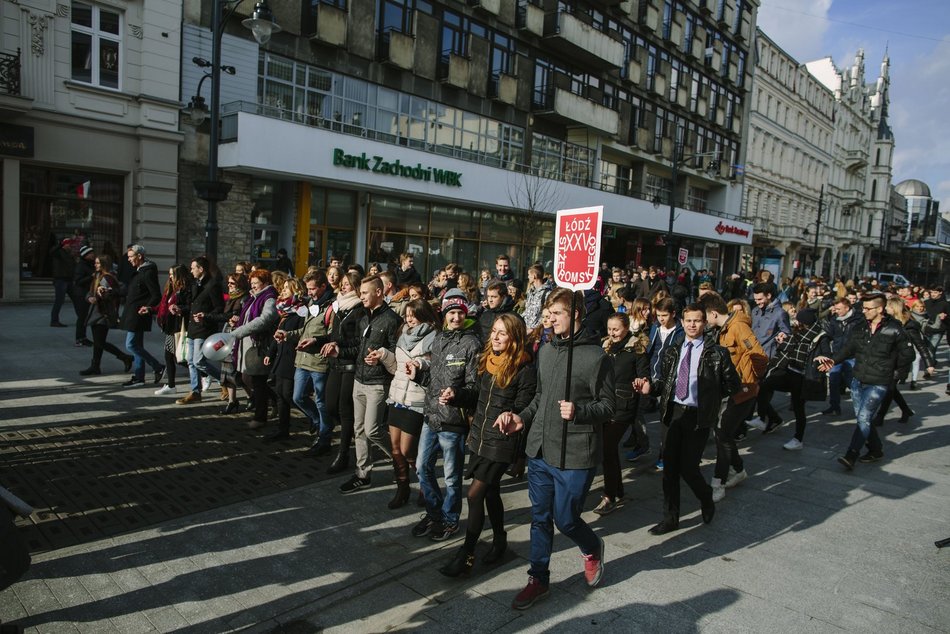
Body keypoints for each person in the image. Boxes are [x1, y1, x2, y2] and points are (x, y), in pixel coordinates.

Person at [493, 288, 615, 609]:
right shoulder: (545, 350)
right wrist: (521, 419)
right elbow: (539, 398)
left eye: (556, 313)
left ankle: (591, 548)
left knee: (567, 519)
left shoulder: (596, 357)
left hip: (576, 454)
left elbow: (608, 406)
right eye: (548, 313)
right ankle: (538, 578)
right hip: (540, 451)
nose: (550, 318)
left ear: (575, 315)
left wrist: (580, 411)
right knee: (540, 518)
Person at [439, 313, 536, 577]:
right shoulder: (487, 361)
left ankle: (467, 554)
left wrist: (520, 452)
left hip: (502, 442)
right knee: (491, 492)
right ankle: (500, 540)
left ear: (514, 337)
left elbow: (525, 408)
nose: (495, 337)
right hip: (480, 437)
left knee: (474, 494)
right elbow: (477, 397)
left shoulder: (524, 368)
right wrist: (456, 395)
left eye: (502, 333)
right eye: (494, 331)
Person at [647, 303, 738, 536]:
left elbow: (732, 385)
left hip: (698, 416)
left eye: (697, 320)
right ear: (683, 322)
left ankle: (706, 497)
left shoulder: (717, 353)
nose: (692, 325)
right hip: (673, 412)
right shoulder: (673, 350)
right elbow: (665, 382)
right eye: (688, 320)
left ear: (705, 323)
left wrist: (711, 399)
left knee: (688, 468)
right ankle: (670, 518)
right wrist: (650, 387)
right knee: (669, 468)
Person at [410, 288, 481, 541]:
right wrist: (417, 374)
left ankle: (450, 519)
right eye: (451, 312)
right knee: (421, 468)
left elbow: (475, 388)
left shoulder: (472, 343)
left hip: (454, 420)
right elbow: (433, 379)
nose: (455, 317)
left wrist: (456, 394)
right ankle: (435, 513)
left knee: (451, 478)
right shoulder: (439, 339)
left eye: (459, 313)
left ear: (465, 314)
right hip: (431, 416)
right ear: (444, 314)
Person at [815, 293, 915, 469]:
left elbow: (909, 355)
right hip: (858, 379)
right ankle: (876, 450)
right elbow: (849, 348)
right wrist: (833, 361)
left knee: (864, 416)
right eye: (864, 308)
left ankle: (851, 455)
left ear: (880, 309)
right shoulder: (860, 326)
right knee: (864, 419)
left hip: (879, 382)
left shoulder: (895, 329)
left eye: (868, 308)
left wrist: (895, 375)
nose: (864, 311)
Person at [323, 275, 400, 493]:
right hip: (359, 379)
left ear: (379, 292)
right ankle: (362, 473)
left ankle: (400, 459)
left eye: (365, 292)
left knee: (373, 430)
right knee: (359, 430)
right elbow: (357, 346)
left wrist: (381, 357)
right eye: (361, 292)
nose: (361, 296)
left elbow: (397, 353)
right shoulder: (363, 317)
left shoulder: (392, 319)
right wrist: (339, 352)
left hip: (378, 382)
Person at [698, 292, 767, 499]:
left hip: (742, 392)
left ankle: (718, 482)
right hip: (730, 391)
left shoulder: (738, 327)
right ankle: (738, 470)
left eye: (704, 317)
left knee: (722, 435)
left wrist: (751, 380)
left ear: (712, 313)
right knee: (722, 434)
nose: (704, 321)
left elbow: (759, 356)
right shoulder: (724, 328)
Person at [379, 299, 438, 509]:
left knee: (407, 451)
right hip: (396, 397)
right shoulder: (402, 335)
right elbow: (396, 368)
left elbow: (434, 366)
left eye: (413, 315)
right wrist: (384, 355)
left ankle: (425, 484)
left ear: (423, 315)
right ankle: (402, 489)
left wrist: (421, 364)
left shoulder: (433, 337)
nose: (409, 319)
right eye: (407, 315)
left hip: (416, 400)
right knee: (395, 450)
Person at [596, 312, 649, 515]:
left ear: (626, 328)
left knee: (608, 447)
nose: (612, 333)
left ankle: (608, 496)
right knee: (609, 451)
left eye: (616, 329)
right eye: (609, 329)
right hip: (605, 403)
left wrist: (641, 381)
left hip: (624, 406)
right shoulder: (605, 347)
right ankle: (618, 490)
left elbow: (644, 373)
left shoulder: (636, 348)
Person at [277, 270, 337, 449]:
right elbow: (304, 331)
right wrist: (287, 335)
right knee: (298, 397)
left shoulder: (332, 307)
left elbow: (333, 335)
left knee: (320, 400)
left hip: (319, 360)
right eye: (308, 289)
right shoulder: (312, 303)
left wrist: (316, 341)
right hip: (302, 359)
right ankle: (319, 422)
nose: (309, 292)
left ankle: (324, 437)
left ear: (323, 287)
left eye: (312, 289)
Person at [323, 271, 366, 474]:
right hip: (335, 363)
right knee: (330, 406)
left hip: (350, 364)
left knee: (344, 408)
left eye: (347, 284)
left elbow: (360, 342)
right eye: (342, 283)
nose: (343, 287)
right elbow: (331, 334)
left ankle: (343, 454)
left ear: (356, 287)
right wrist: (318, 343)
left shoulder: (360, 310)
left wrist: (340, 347)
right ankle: (352, 436)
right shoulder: (338, 305)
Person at [871, 297, 936, 426]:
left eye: (888, 307)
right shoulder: (887, 322)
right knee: (892, 389)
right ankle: (906, 410)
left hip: (901, 363)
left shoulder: (909, 326)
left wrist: (929, 364)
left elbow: (921, 346)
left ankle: (880, 416)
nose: (885, 309)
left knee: (889, 389)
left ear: (894, 308)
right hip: (888, 360)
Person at [229, 269, 280, 428]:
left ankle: (260, 418)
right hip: (248, 345)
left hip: (259, 345)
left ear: (265, 283)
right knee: (247, 379)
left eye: (256, 283)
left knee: (256, 380)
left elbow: (265, 319)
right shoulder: (253, 297)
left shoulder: (269, 298)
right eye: (251, 283)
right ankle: (275, 399)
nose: (253, 286)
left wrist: (240, 331)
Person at [176, 256, 225, 405]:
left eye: (193, 268)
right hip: (193, 327)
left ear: (201, 269)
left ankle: (225, 381)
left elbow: (219, 308)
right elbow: (192, 305)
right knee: (191, 361)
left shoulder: (212, 285)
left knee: (198, 361)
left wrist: (206, 316)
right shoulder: (195, 283)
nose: (191, 271)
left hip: (204, 328)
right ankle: (195, 391)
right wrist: (180, 309)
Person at [263, 277, 305, 443]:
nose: (284, 290)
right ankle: (283, 429)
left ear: (296, 290)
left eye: (288, 288)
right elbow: (277, 333)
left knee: (289, 395)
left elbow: (302, 333)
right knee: (280, 393)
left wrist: (289, 338)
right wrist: (270, 353)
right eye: (284, 287)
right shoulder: (284, 310)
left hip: (292, 356)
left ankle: (315, 418)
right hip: (281, 355)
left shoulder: (301, 310)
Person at [79, 254, 133, 376]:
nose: (95, 264)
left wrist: (105, 293)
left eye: (98, 263)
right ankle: (95, 366)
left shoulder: (108, 278)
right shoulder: (97, 276)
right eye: (96, 263)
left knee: (99, 342)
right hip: (95, 311)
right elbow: (90, 292)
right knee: (99, 341)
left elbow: (119, 292)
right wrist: (90, 298)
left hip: (103, 313)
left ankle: (124, 357)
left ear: (104, 264)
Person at [748, 282, 791, 430]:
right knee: (754, 389)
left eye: (760, 299)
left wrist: (782, 336)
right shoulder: (755, 310)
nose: (757, 302)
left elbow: (787, 332)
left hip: (768, 356)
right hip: (752, 355)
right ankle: (772, 418)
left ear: (769, 296)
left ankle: (764, 418)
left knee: (761, 390)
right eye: (755, 299)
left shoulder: (780, 313)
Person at [120, 245, 164, 387]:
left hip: (139, 314)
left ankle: (158, 366)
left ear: (139, 256)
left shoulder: (147, 272)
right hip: (133, 313)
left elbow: (156, 295)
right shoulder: (139, 271)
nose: (129, 259)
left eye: (131, 256)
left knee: (131, 344)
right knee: (137, 345)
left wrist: (148, 307)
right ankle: (139, 377)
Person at [213, 273, 250, 413]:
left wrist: (237, 320)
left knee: (236, 372)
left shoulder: (245, 298)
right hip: (227, 335)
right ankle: (232, 401)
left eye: (232, 283)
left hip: (238, 337)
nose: (229, 285)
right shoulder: (231, 298)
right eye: (228, 283)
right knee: (226, 370)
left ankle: (251, 397)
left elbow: (248, 318)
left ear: (240, 285)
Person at [821, 297, 862, 415]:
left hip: (852, 357)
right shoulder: (835, 320)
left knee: (853, 383)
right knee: (833, 381)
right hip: (837, 355)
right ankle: (834, 407)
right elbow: (829, 335)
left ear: (847, 308)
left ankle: (860, 409)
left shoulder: (858, 319)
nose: (836, 311)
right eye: (835, 308)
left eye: (838, 309)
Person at [153, 265, 190, 394]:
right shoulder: (171, 289)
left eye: (172, 274)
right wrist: (151, 309)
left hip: (177, 327)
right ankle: (171, 385)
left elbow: (189, 306)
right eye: (169, 274)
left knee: (178, 356)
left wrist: (179, 309)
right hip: (170, 327)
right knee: (172, 356)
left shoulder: (184, 289)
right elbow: (163, 305)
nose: (170, 277)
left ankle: (205, 373)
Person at [71, 245, 96, 346]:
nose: (92, 255)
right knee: (82, 317)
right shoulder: (81, 265)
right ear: (85, 255)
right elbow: (78, 281)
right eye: (90, 253)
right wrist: (91, 276)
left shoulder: (90, 264)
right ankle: (79, 339)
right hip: (80, 294)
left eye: (92, 253)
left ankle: (83, 337)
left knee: (85, 317)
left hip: (87, 293)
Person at [49, 236, 74, 328]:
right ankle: (54, 321)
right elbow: (51, 251)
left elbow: (71, 267)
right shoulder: (58, 252)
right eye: (68, 244)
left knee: (76, 299)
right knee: (59, 301)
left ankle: (83, 318)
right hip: (60, 280)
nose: (70, 246)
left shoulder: (69, 254)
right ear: (64, 245)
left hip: (69, 280)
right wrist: (60, 245)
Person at [522, 264, 553, 330]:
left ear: (534, 276)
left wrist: (534, 330)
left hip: (537, 333)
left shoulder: (547, 293)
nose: (528, 277)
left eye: (529, 275)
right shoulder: (531, 291)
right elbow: (527, 310)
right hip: (525, 329)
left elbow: (547, 315)